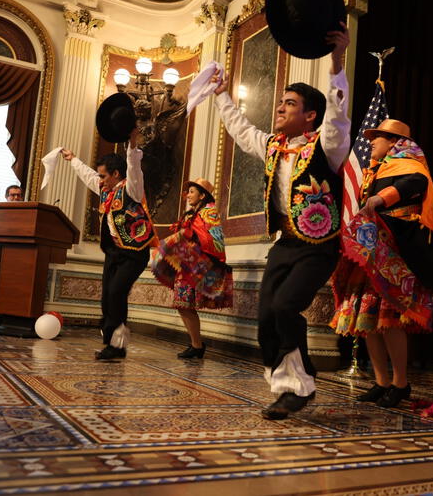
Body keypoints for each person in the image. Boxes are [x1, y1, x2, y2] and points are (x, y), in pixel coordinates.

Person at [209, 24, 350, 419]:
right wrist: (221, 95)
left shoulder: (328, 145)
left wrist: (337, 61)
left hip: (319, 248)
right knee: (268, 315)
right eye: (281, 103)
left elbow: (339, 114)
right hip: (285, 243)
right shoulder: (272, 146)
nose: (280, 108)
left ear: (309, 116)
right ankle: (286, 383)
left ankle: (299, 386)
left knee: (287, 306)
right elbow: (240, 129)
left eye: (289, 103)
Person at [330, 119, 433, 408]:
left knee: (391, 321)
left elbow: (414, 184)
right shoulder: (377, 170)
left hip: (396, 253)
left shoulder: (410, 165)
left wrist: (381, 198)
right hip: (371, 255)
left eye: (376, 138)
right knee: (369, 320)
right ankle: (381, 381)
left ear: (393, 141)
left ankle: (400, 382)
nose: (371, 143)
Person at [61, 128, 157, 360]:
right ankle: (114, 343)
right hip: (113, 253)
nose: (100, 180)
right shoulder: (106, 191)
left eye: (103, 176)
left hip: (135, 253)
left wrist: (132, 143)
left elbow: (133, 167)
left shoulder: (132, 189)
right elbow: (87, 175)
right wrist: (73, 159)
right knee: (108, 296)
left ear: (115, 174)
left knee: (116, 292)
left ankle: (116, 345)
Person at [151, 178, 233, 359]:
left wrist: (189, 235)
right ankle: (196, 344)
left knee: (185, 304)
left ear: (202, 195)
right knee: (182, 304)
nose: (188, 195)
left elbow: (214, 240)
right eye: (188, 192)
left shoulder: (209, 213)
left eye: (192, 192)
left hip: (198, 266)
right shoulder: (190, 214)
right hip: (186, 264)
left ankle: (197, 345)